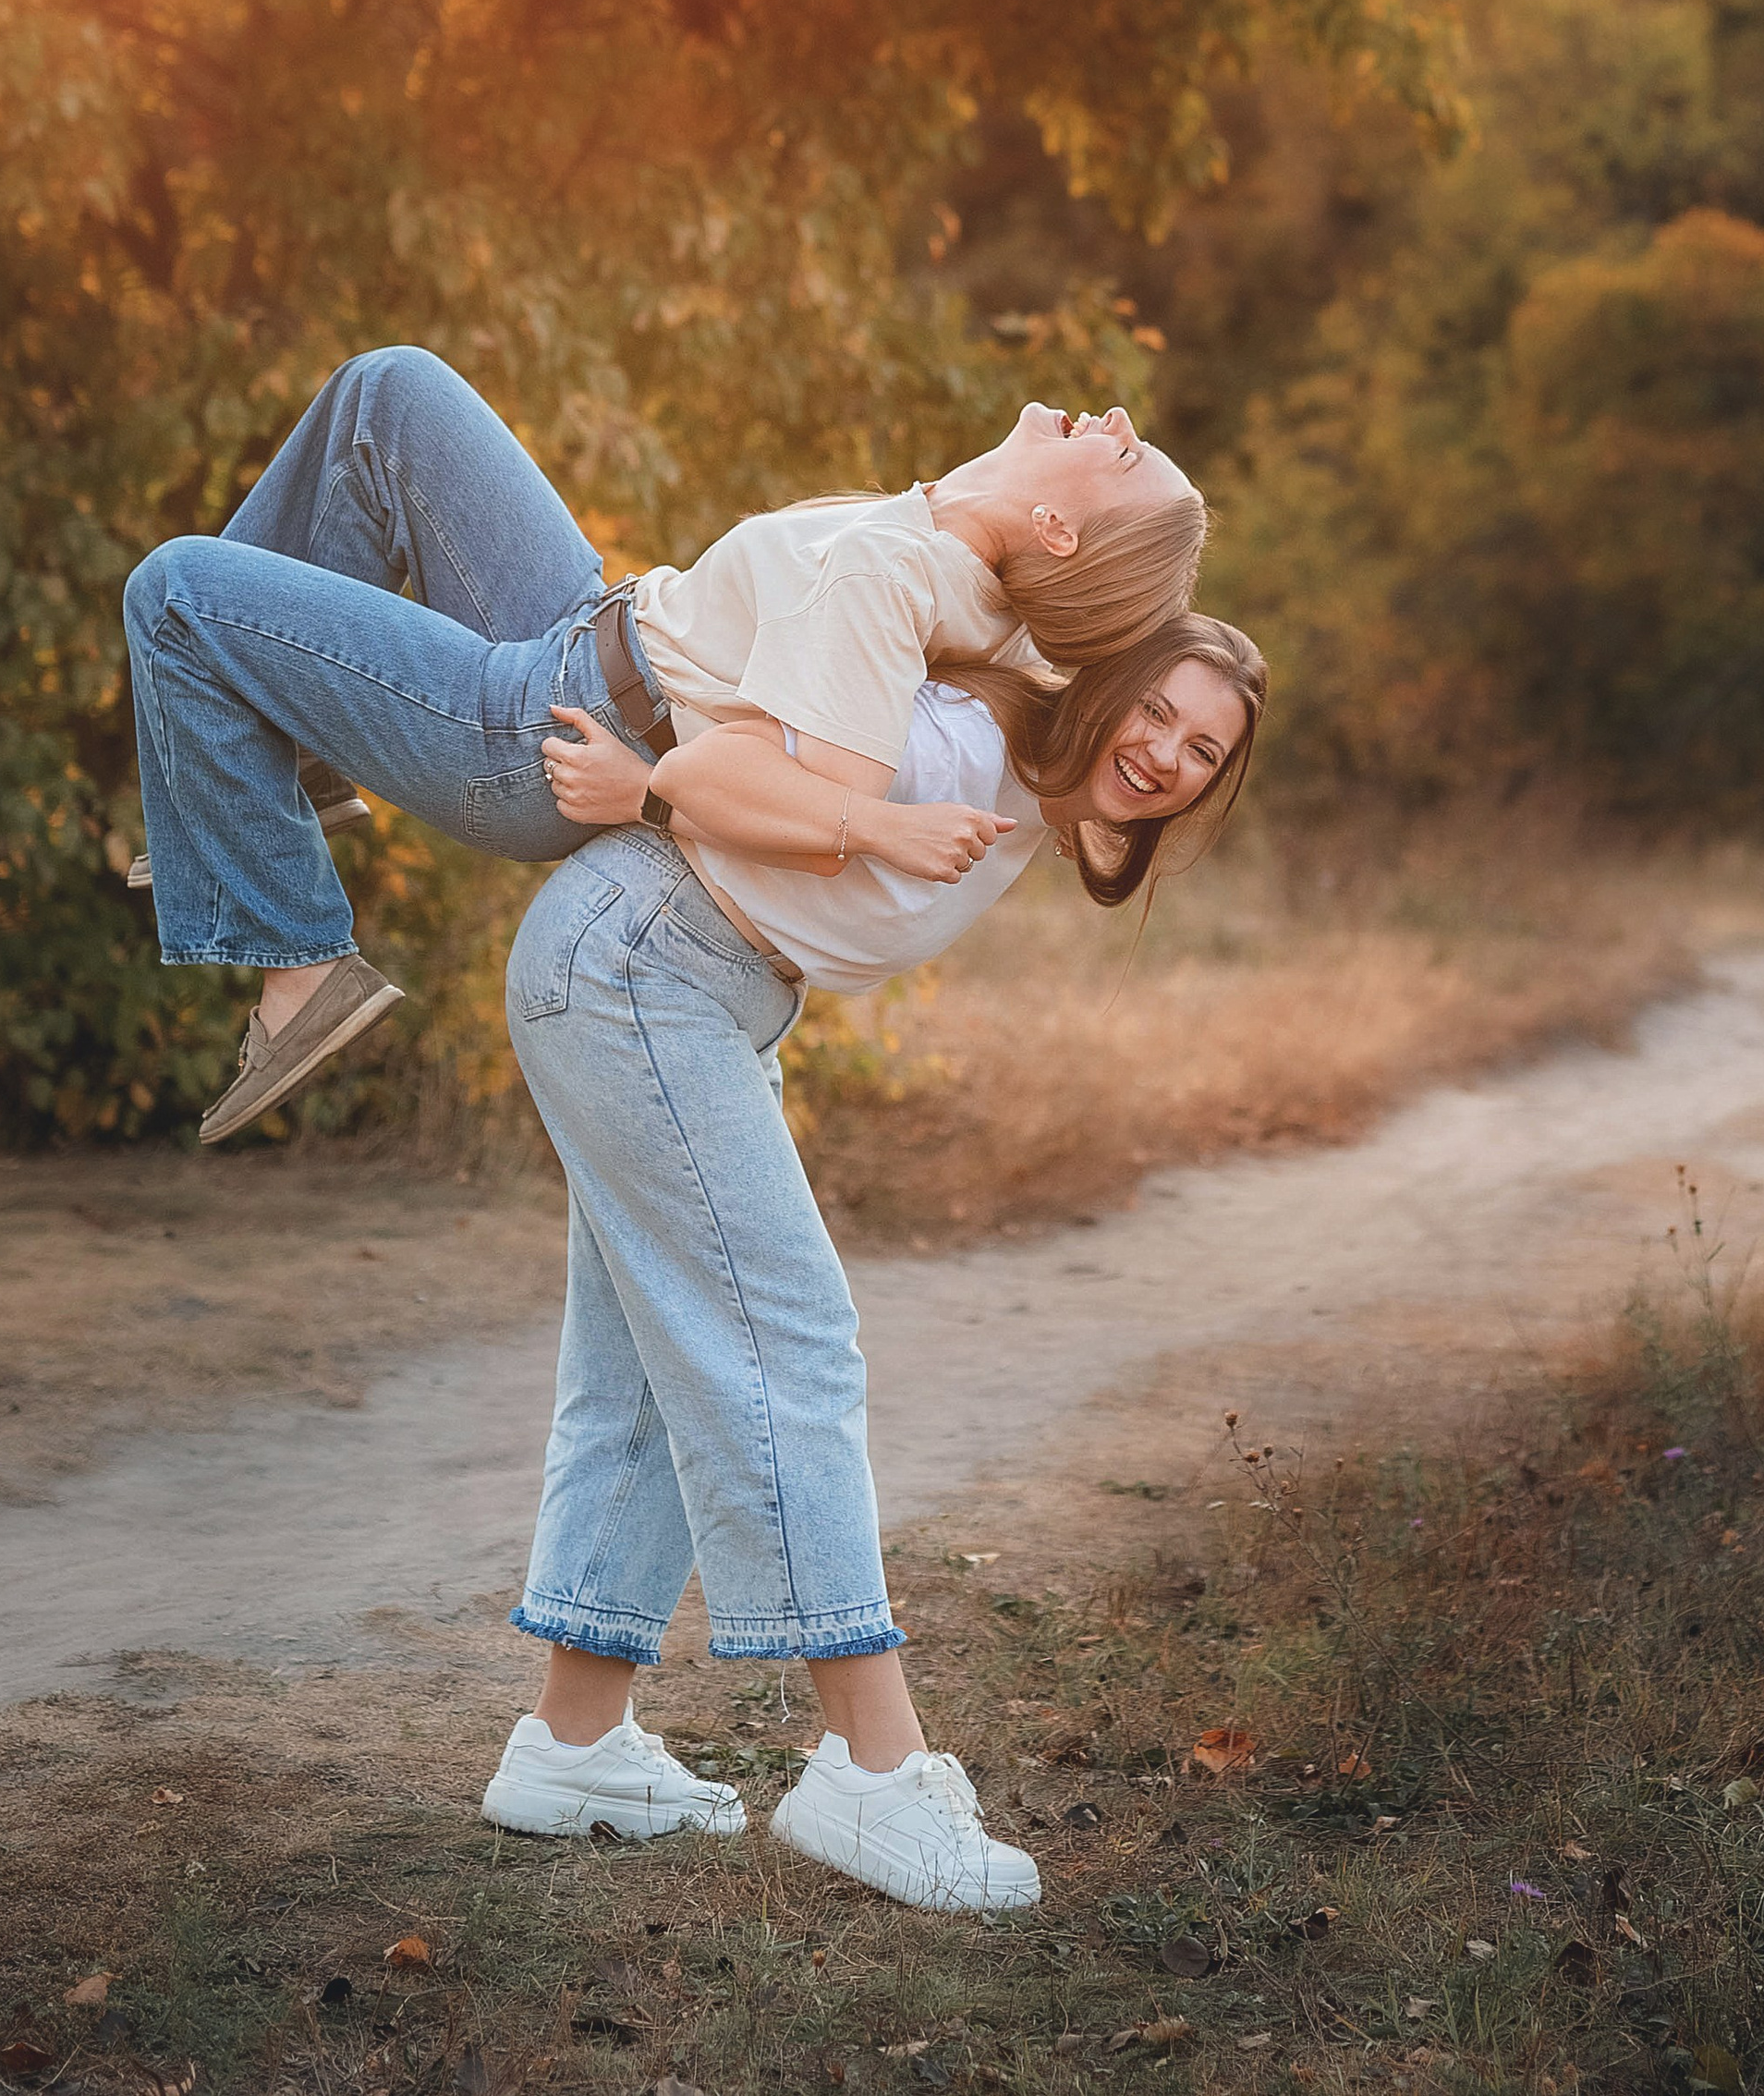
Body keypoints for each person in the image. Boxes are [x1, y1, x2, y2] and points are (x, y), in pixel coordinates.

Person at [476, 611, 1267, 1913]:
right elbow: (769, 738)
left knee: (661, 1351)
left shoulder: (1025, 782)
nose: (1166, 753)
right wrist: (653, 780)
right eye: (1156, 711)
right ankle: (868, 1760)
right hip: (641, 967)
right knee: (786, 1336)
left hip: (693, 988)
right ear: (1107, 681)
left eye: (1201, 747)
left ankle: (574, 1742)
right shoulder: (958, 735)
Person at [121, 346, 1206, 1142]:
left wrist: (684, 795)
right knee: (386, 393)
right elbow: (1089, 632)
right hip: (588, 619)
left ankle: (297, 957)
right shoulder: (966, 558)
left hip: (531, 725)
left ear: (1058, 532)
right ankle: (263, 779)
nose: (1112, 417)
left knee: (173, 592)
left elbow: (821, 804)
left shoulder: (899, 574)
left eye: (1126, 454)